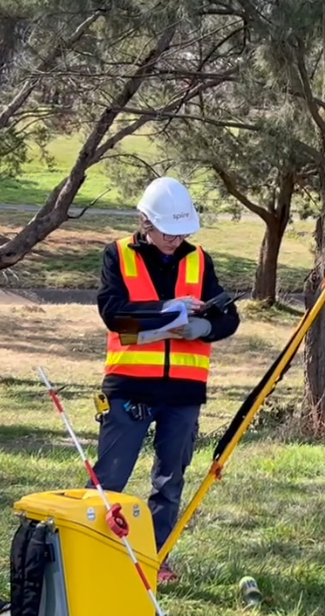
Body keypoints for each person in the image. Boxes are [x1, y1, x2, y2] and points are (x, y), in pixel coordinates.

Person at [92, 177, 240, 584]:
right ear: (146, 222)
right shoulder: (117, 255)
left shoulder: (199, 260)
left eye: (182, 232)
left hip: (182, 392)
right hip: (129, 386)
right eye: (168, 232)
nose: (176, 239)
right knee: (111, 480)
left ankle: (155, 561)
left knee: (170, 480)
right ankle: (98, 556)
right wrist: (166, 308)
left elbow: (228, 317)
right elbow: (114, 313)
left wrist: (203, 328)